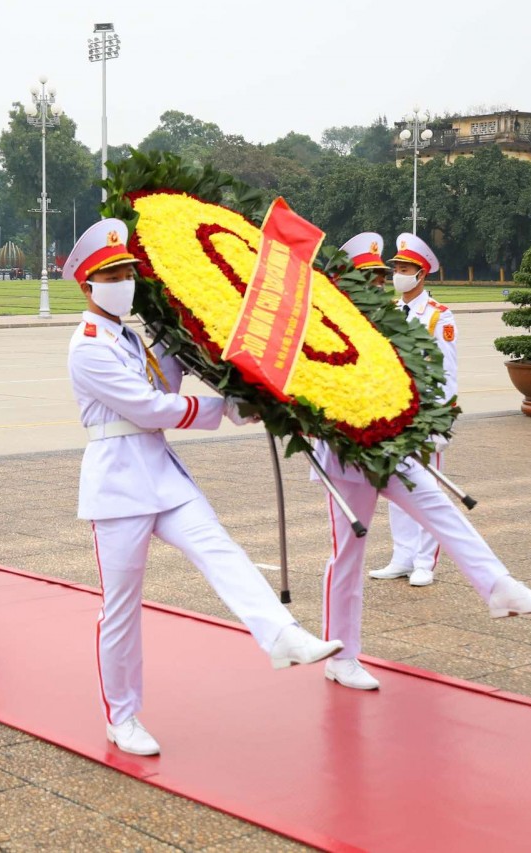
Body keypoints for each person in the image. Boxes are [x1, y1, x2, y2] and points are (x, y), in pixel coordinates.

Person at [64, 219, 343, 756]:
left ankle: (282, 634)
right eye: (112, 273)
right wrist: (228, 408)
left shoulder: (128, 335)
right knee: (121, 607)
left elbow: (163, 384)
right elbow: (148, 408)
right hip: (119, 487)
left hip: (162, 478)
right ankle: (122, 717)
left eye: (127, 271)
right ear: (87, 285)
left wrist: (188, 348)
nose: (124, 281)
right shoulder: (88, 346)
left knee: (221, 550)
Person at [311, 235, 531, 691]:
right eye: (369, 277)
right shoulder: (328, 323)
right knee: (347, 556)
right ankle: (340, 656)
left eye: (382, 277)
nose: (379, 283)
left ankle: (499, 586)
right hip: (348, 455)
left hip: (394, 444)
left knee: (441, 509)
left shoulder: (390, 322)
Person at [367, 234, 459, 587]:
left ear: (421, 274)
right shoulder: (390, 311)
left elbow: (447, 371)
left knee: (427, 491)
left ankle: (424, 562)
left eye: (404, 269)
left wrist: (441, 423)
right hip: (395, 414)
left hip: (425, 416)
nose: (397, 275)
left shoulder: (438, 316)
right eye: (395, 269)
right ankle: (402, 555)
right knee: (397, 485)